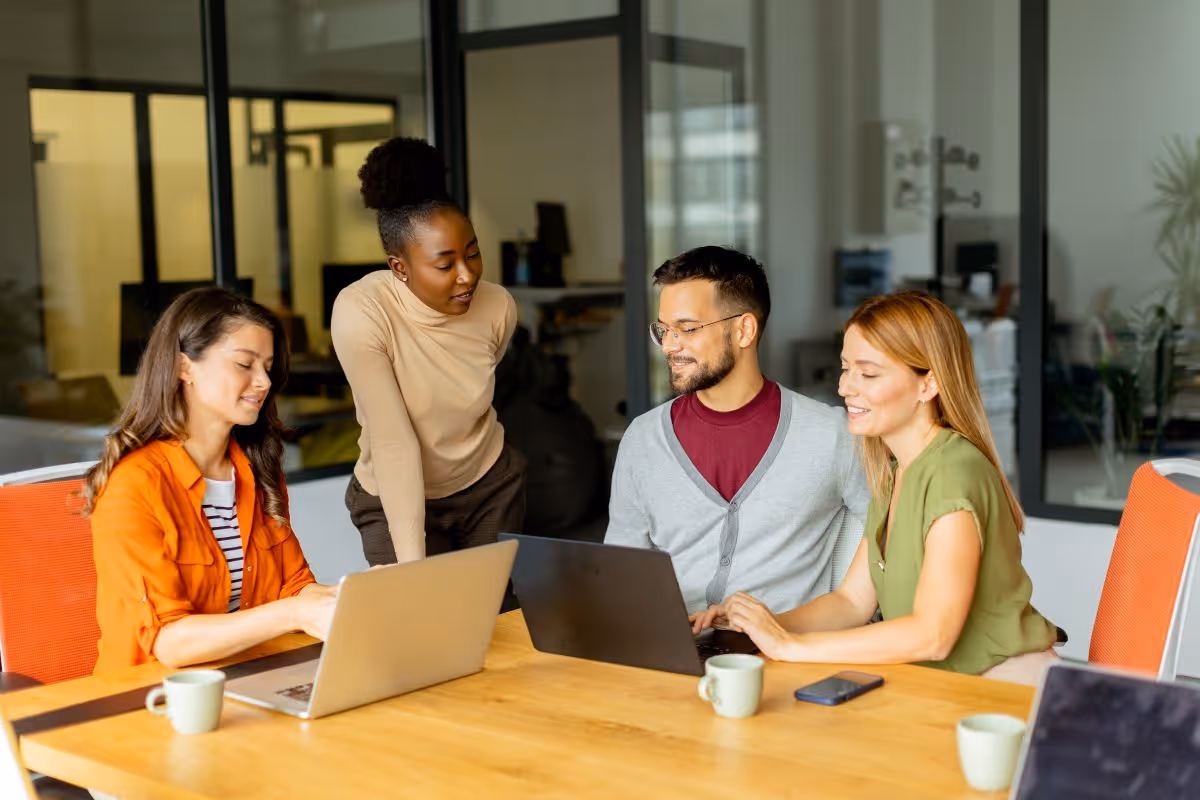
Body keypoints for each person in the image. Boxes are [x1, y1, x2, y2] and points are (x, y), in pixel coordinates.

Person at [692, 291, 1059, 684]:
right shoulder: (894, 471)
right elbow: (851, 602)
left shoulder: (954, 473)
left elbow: (932, 636)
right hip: (946, 690)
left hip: (1009, 693)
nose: (845, 387)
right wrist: (762, 628)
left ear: (928, 384)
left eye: (868, 374)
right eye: (845, 368)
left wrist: (792, 647)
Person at [605, 246, 869, 614]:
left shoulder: (834, 435)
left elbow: (895, 544)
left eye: (688, 328)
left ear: (744, 329)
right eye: (663, 330)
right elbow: (619, 572)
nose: (669, 345)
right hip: (668, 651)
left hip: (783, 655)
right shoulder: (642, 438)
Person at [85, 288, 337, 673]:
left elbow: (294, 587)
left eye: (267, 367)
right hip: (151, 701)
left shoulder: (256, 471)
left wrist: (353, 598)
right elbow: (167, 642)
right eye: (244, 364)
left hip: (246, 680)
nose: (264, 381)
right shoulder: (134, 485)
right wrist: (293, 614)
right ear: (185, 367)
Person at [333, 137, 526, 566]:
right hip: (393, 493)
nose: (466, 276)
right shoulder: (361, 311)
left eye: (473, 254)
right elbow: (393, 441)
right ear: (399, 267)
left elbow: (465, 394)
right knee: (418, 621)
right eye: (444, 265)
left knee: (495, 620)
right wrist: (413, 569)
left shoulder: (498, 307)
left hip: (488, 486)